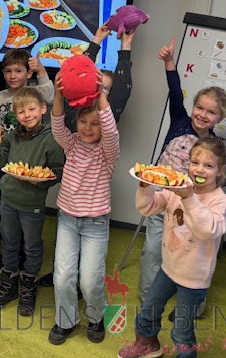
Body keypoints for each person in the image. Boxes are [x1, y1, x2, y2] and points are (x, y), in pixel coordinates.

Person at [138, 38, 226, 302]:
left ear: (219, 118)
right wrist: (169, 62)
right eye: (199, 107)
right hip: (161, 200)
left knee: (186, 255)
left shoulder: (214, 146)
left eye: (211, 112)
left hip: (191, 210)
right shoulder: (180, 122)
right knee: (152, 251)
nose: (203, 114)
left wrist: (202, 183)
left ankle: (189, 299)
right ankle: (148, 297)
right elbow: (175, 92)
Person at [40, 22, 135, 287]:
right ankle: (63, 276)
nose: (98, 91)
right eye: (96, 86)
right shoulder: (75, 110)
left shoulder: (108, 122)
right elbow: (78, 73)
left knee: (89, 268)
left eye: (105, 89)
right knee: (65, 257)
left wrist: (125, 47)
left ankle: (83, 283)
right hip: (70, 187)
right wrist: (95, 42)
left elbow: (123, 87)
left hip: (95, 196)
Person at [119, 137, 226, 358]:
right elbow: (148, 208)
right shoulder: (177, 187)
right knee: (149, 310)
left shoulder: (219, 201)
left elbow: (207, 230)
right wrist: (145, 186)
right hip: (168, 268)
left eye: (208, 165)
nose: (199, 169)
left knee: (181, 329)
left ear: (220, 170)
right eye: (195, 162)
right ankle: (147, 343)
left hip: (194, 279)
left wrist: (189, 198)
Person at [48, 71, 120, 345]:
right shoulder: (72, 144)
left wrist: (101, 97)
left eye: (95, 124)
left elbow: (110, 132)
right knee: (63, 276)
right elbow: (57, 126)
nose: (88, 128)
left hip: (95, 224)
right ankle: (65, 321)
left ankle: (96, 317)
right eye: (83, 121)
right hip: (67, 219)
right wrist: (58, 95)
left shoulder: (108, 152)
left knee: (90, 280)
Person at [0, 87, 63, 316]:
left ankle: (28, 287)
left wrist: (38, 181)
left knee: (31, 246)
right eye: (21, 111)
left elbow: (58, 171)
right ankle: (8, 285)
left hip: (33, 204)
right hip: (8, 200)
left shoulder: (52, 139)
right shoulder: (12, 136)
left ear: (43, 109)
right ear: (15, 114)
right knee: (9, 243)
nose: (27, 115)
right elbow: (2, 165)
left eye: (31, 109)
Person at [0, 49, 55, 270]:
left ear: (28, 73)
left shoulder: (34, 92)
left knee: (27, 214)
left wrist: (41, 71)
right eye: (8, 71)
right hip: (3, 154)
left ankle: (25, 253)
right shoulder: (0, 97)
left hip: (27, 155)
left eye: (18, 71)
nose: (13, 75)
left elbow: (50, 95)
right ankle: (9, 252)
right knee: (5, 206)